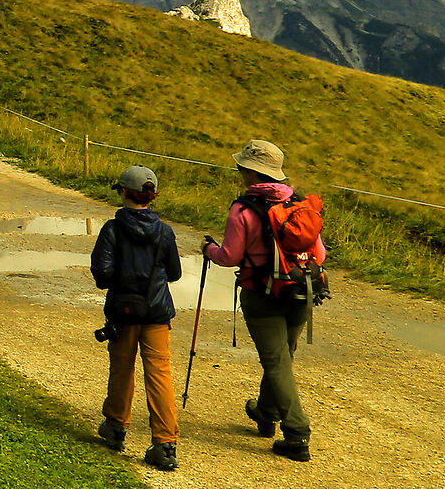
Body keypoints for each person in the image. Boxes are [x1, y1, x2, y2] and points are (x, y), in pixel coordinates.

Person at [202, 139, 324, 462]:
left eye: (242, 166)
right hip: (302, 292)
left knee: (276, 361)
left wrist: (208, 250)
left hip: (262, 295)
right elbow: (320, 254)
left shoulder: (242, 210)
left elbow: (229, 257)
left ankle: (297, 434)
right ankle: (266, 412)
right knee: (283, 356)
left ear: (249, 172)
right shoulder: (299, 205)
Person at [91, 164, 183, 471]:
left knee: (122, 368)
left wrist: (124, 278)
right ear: (151, 197)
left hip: (123, 312)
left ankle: (116, 426)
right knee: (159, 373)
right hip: (156, 311)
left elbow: (102, 275)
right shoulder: (165, 232)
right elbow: (175, 273)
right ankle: (165, 444)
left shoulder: (112, 230)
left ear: (124, 193)